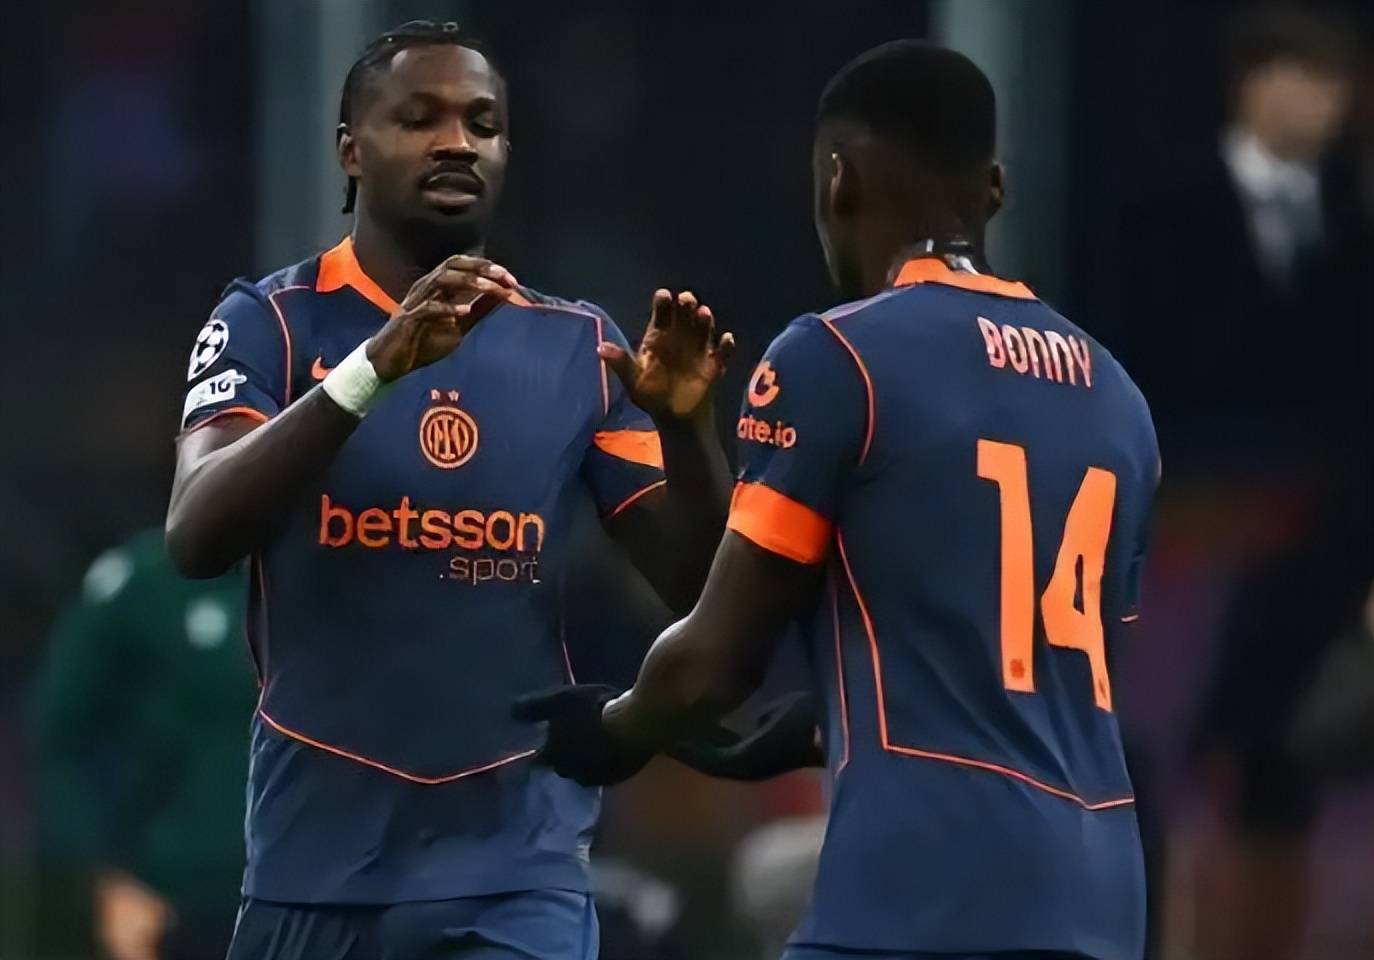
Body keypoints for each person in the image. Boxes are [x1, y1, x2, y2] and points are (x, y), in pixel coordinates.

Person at [517, 40, 1159, 960]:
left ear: (838, 178)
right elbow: (1037, 670)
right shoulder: (1118, 398)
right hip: (1102, 898)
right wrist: (833, 715)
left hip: (921, 888)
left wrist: (613, 732)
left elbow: (715, 662)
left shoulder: (841, 356)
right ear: (994, 190)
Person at [165, 20, 734, 960]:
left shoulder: (576, 346)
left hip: (515, 870)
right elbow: (196, 532)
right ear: (351, 149)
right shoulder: (269, 320)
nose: (457, 141)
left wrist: (685, 429)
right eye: (419, 118)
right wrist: (373, 369)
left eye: (483, 123)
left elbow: (696, 584)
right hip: (313, 865)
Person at [32, 529, 256, 960]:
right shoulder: (142, 584)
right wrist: (108, 879)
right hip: (175, 897)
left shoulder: (344, 576)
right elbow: (62, 736)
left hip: (322, 894)